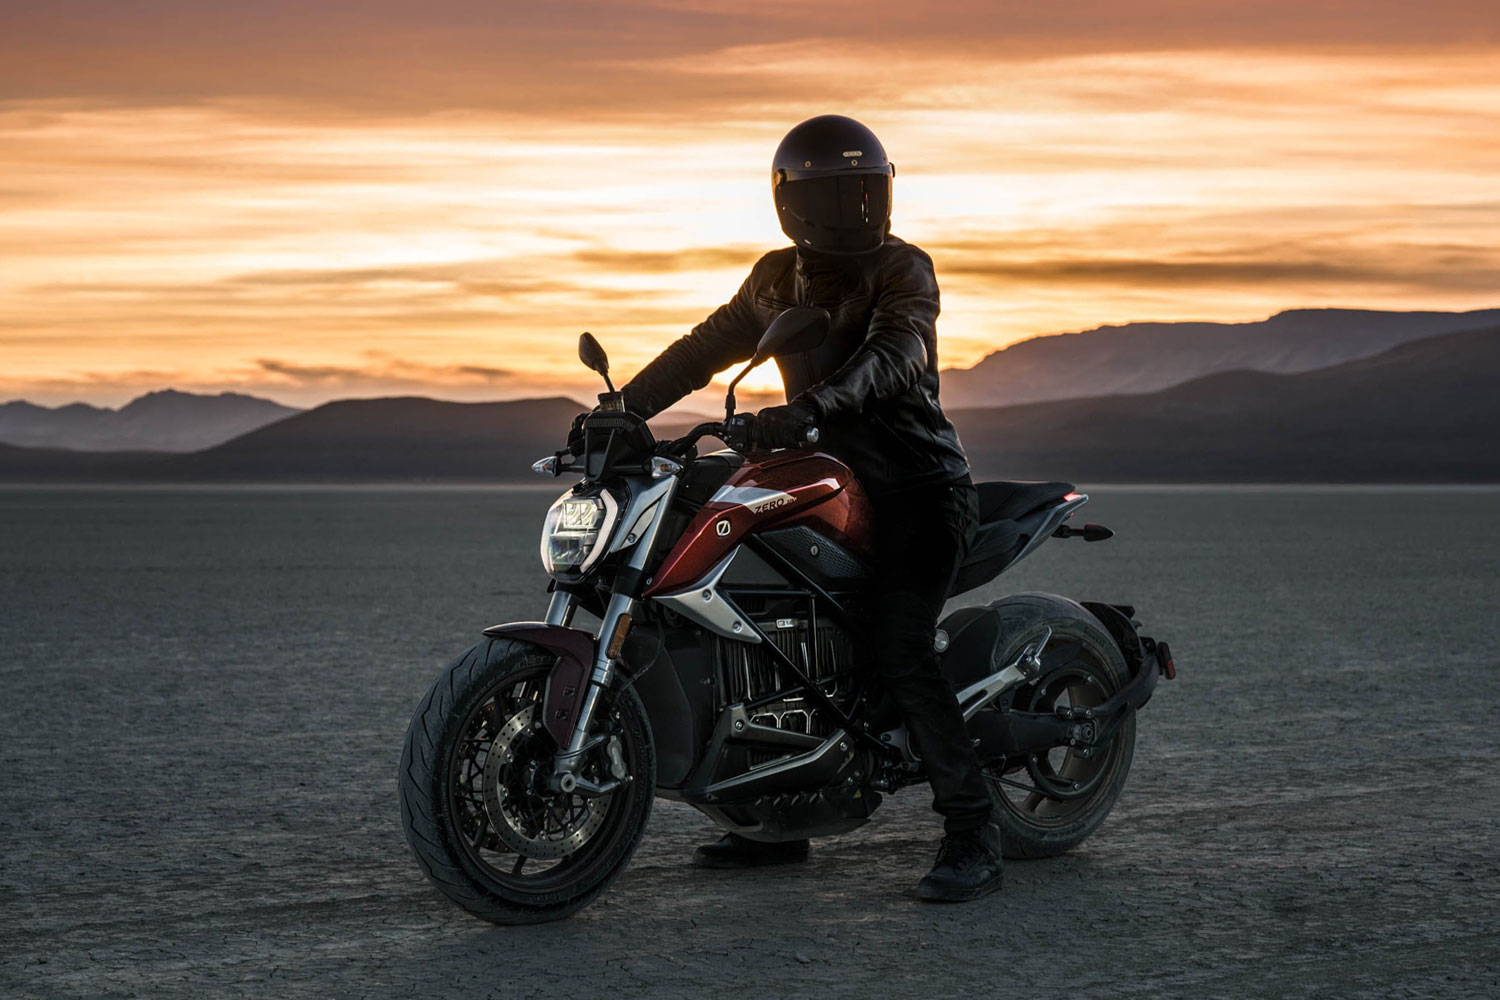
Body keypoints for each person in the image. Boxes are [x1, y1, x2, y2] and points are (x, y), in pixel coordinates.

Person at [584, 115, 1003, 901]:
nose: (852, 207)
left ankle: (974, 828)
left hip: (916, 488)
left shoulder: (903, 269)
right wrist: (625, 409)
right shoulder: (776, 278)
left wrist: (814, 405)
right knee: (745, 619)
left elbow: (897, 354)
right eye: (834, 192)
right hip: (812, 474)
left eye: (861, 189)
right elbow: (704, 347)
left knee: (899, 643)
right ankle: (775, 813)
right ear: (794, 202)